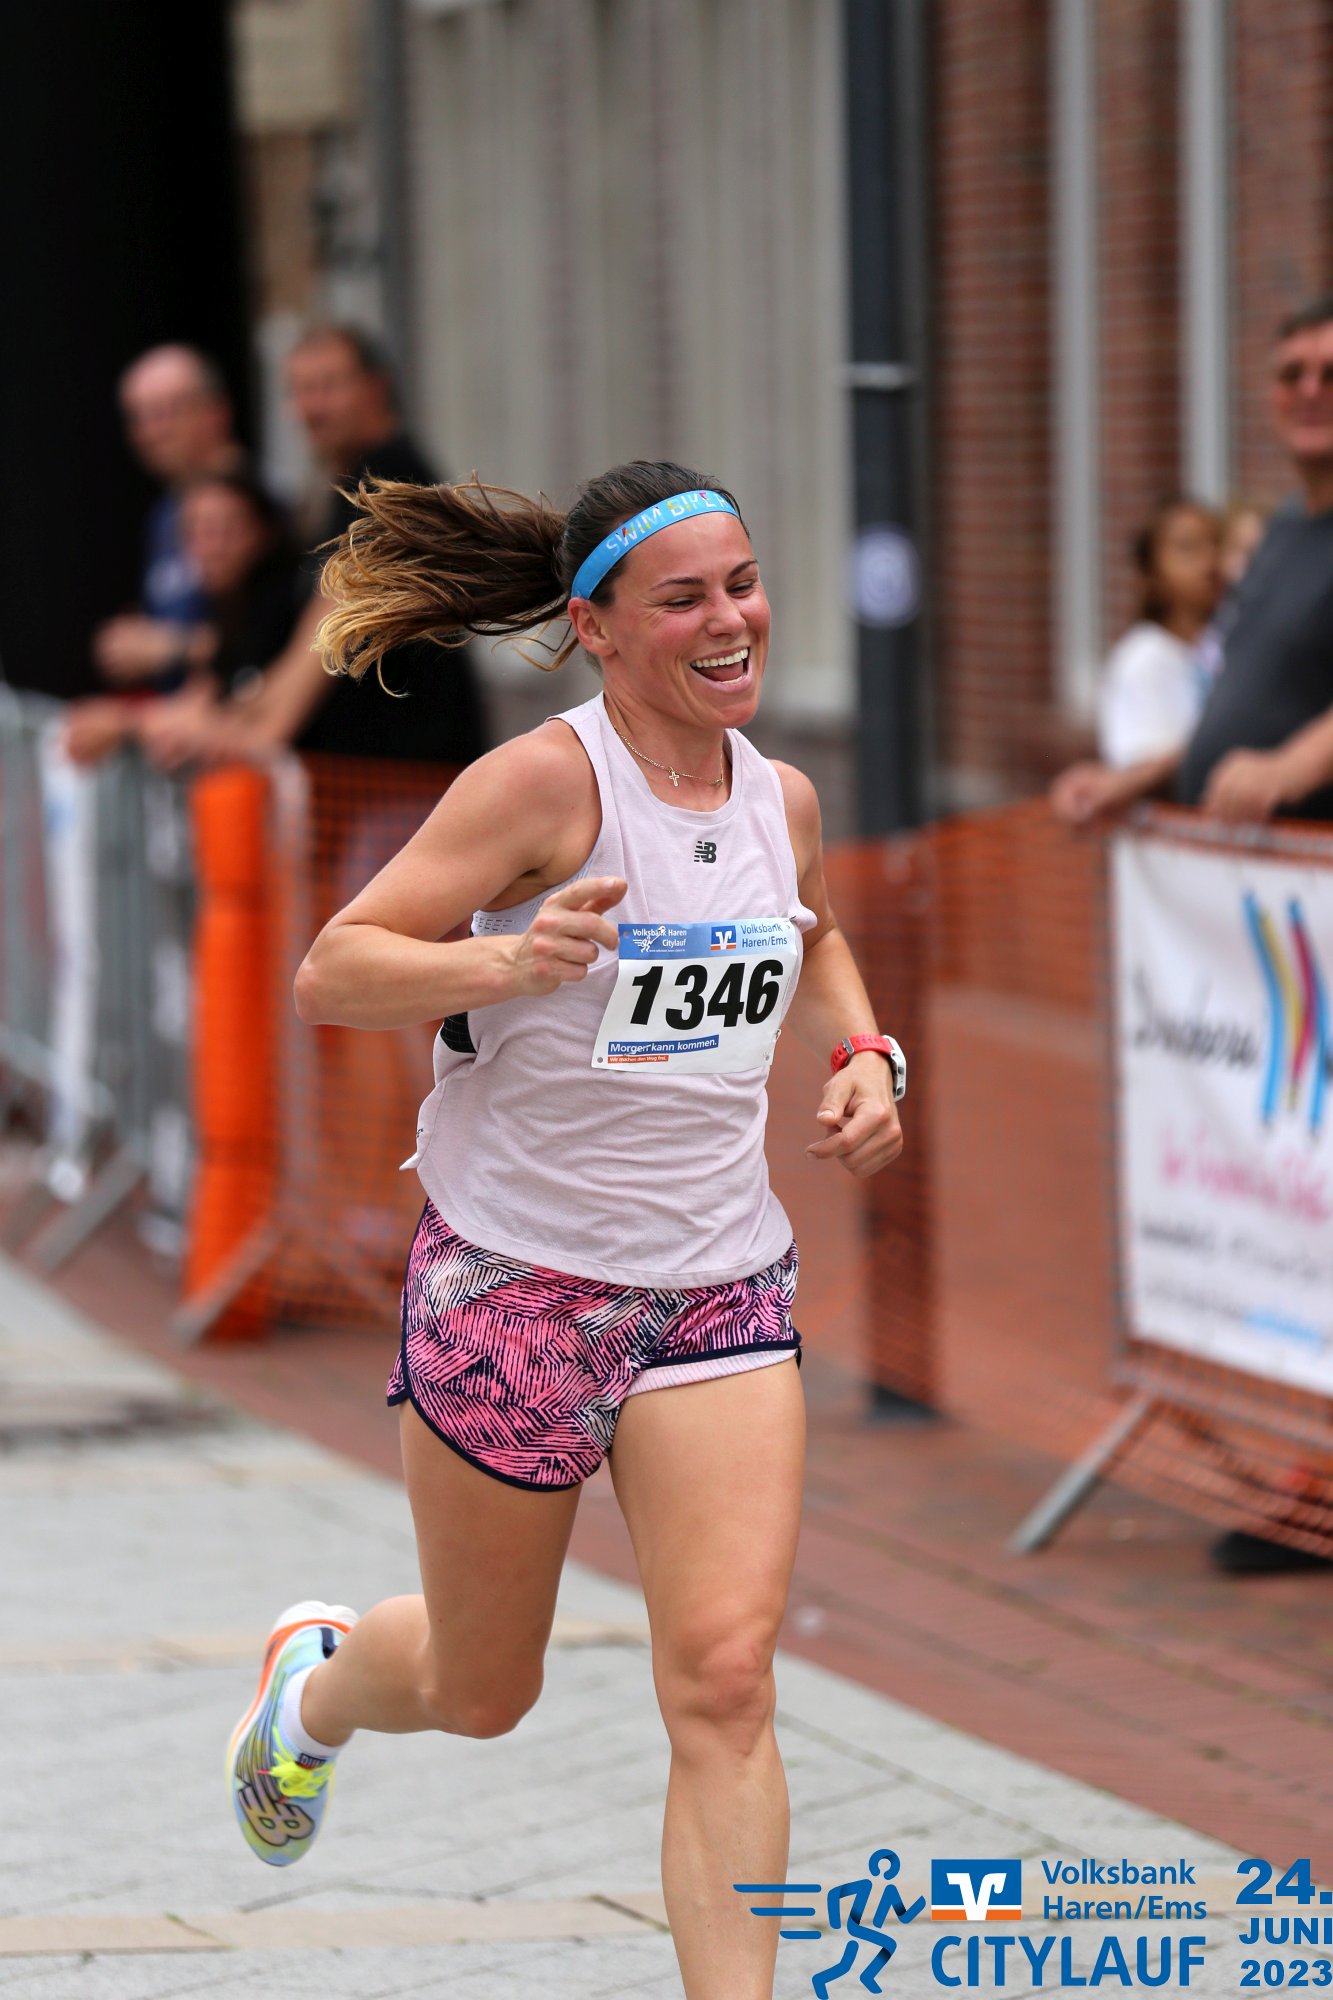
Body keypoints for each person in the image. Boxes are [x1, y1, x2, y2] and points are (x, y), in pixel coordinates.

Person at [225, 461, 907, 2000]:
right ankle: (313, 1695)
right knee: (480, 1691)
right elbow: (336, 970)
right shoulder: (540, 787)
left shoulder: (779, 796)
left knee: (724, 1682)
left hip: (717, 1287)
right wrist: (511, 964)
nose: (730, 622)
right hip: (515, 1288)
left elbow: (811, 934)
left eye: (743, 585)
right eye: (685, 600)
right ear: (595, 628)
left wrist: (868, 1055)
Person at [140, 325, 486, 770]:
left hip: (403, 775)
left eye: (328, 386)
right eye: (299, 390)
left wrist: (250, 733)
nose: (311, 408)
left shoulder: (390, 479)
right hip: (378, 773)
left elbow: (325, 635)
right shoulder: (349, 484)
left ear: (376, 387)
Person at [1052, 292, 1333, 830]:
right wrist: (1136, 780)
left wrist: (1292, 768)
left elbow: (1278, 757)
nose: (1310, 391)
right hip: (1241, 864)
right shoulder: (1280, 532)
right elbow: (1247, 709)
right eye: (1291, 374)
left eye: (1331, 374)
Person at [65, 472, 303, 765]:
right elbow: (200, 698)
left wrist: (126, 722)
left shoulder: (287, 602)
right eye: (195, 532)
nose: (210, 548)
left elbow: (242, 716)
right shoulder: (227, 605)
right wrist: (121, 717)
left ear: (264, 534)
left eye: (226, 530)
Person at [93, 345, 243, 694]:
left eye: (167, 412)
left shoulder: (252, 506)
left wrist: (169, 647)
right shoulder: (164, 513)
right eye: (138, 417)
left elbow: (269, 637)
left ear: (216, 411)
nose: (151, 432)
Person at [1096, 498, 1222, 767]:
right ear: (1152, 573)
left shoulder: (1223, 642)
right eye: (1188, 548)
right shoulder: (1144, 657)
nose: (1210, 561)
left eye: (1216, 543)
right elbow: (1141, 763)